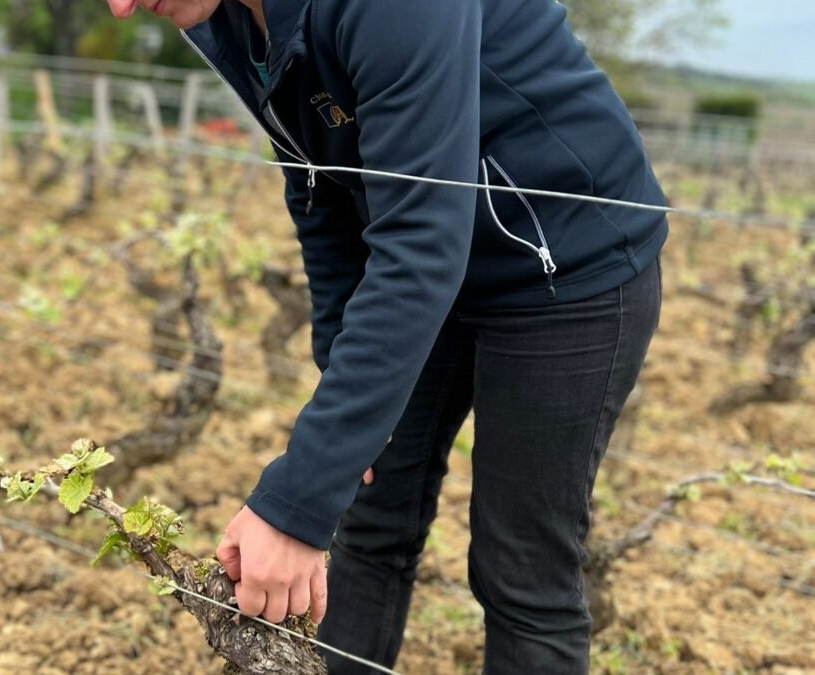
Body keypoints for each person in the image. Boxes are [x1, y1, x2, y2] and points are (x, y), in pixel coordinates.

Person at [107, 1, 667, 673]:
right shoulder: (230, 16)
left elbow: (421, 244)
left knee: (521, 569)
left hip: (563, 267)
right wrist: (340, 430)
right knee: (370, 523)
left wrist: (296, 503)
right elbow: (319, 191)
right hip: (417, 269)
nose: (120, 5)